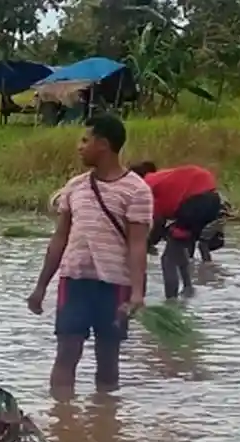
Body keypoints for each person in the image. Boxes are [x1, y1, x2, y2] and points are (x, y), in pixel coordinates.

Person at [27, 115, 150, 398]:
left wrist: (137, 293)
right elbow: (60, 239)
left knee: (108, 361)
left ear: (103, 145)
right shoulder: (75, 187)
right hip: (75, 281)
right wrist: (41, 286)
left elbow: (137, 246)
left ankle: (106, 421)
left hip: (114, 286)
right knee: (66, 354)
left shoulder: (137, 191)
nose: (79, 146)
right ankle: (62, 419)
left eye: (85, 140)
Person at [131, 161, 226, 299]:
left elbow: (158, 222)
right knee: (177, 243)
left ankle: (171, 303)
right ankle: (188, 288)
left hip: (196, 201)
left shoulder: (146, 185)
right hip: (211, 198)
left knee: (167, 259)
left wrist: (148, 244)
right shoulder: (161, 178)